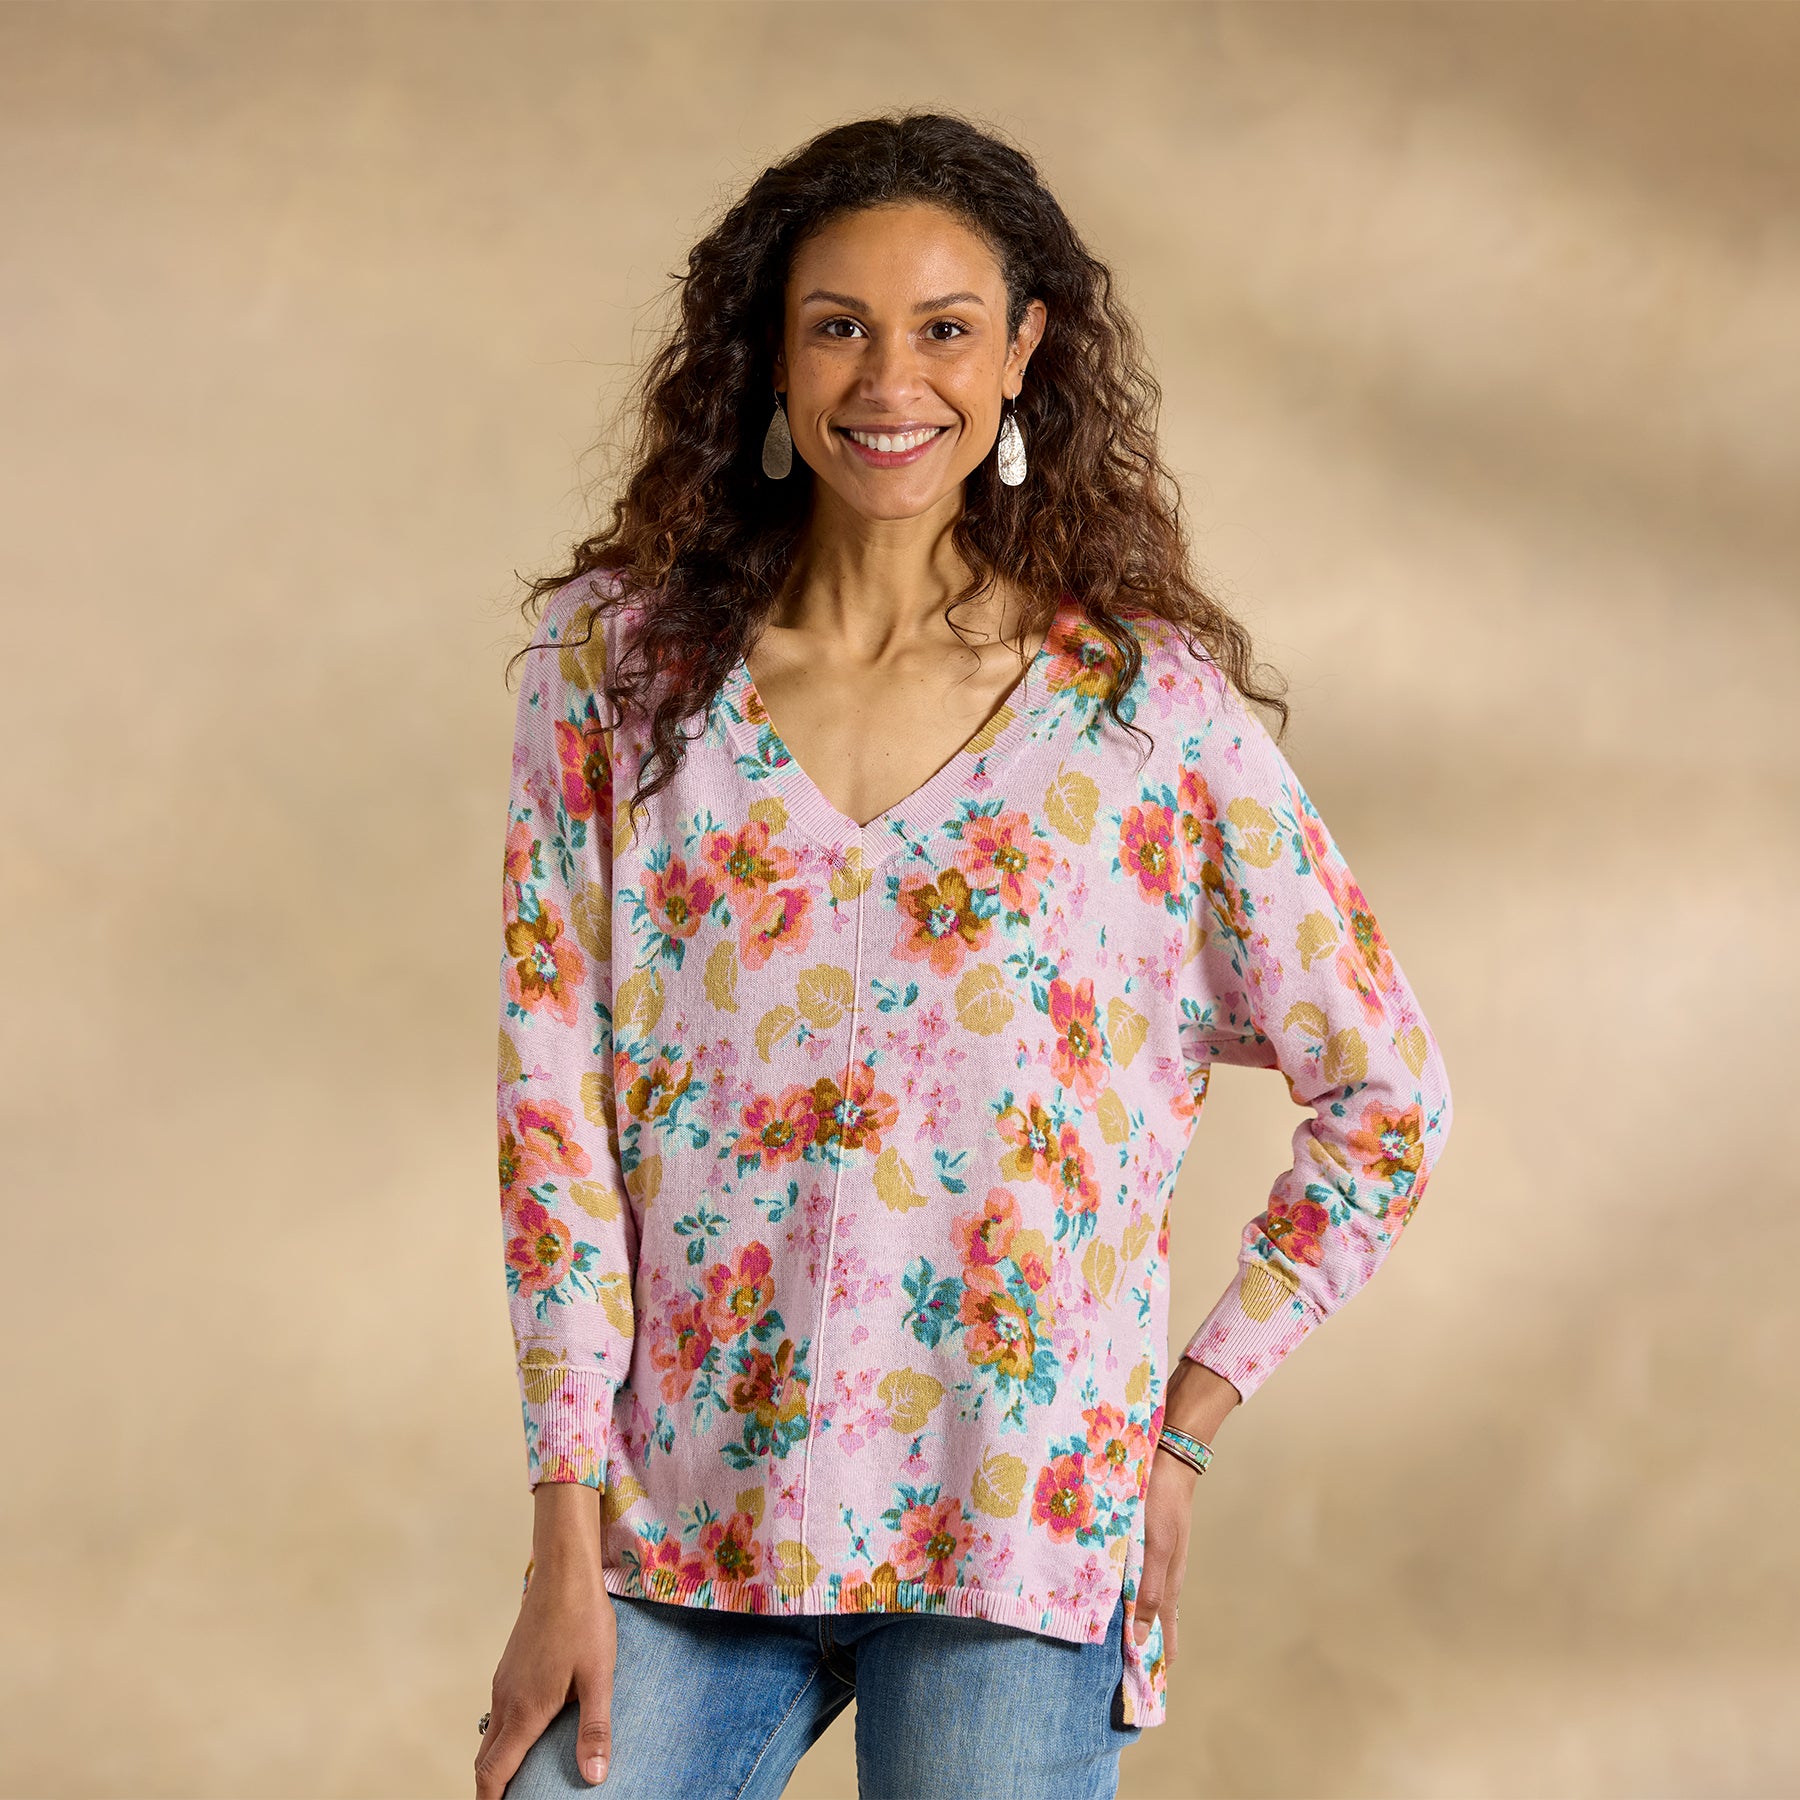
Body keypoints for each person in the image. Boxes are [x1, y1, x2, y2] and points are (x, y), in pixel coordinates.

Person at [477, 109, 1453, 1800]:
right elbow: (553, 1119)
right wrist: (561, 1533)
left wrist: (1182, 1432)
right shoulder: (616, 677)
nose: (889, 380)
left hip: (1012, 1524)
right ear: (770, 357)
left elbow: (1388, 1097)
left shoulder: (1144, 716)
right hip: (684, 1519)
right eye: (837, 326)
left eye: (943, 328)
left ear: (1022, 356)